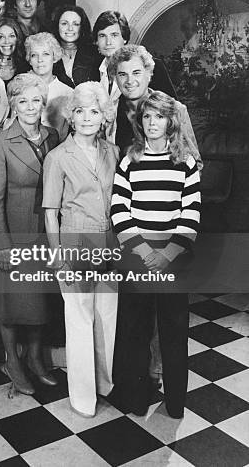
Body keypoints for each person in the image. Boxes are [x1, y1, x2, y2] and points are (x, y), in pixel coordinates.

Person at [110, 90, 201, 418]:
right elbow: (119, 209)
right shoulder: (130, 158)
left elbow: (190, 212)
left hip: (172, 263)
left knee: (174, 332)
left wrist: (168, 254)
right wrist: (144, 251)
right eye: (146, 117)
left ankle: (175, 402)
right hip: (137, 260)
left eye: (159, 117)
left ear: (170, 121)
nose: (152, 123)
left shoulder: (185, 161)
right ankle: (135, 398)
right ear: (139, 121)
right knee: (135, 329)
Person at [43, 82, 119, 417]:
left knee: (107, 319)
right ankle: (83, 397)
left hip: (110, 244)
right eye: (80, 111)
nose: (87, 118)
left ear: (104, 116)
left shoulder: (113, 151)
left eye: (94, 111)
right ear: (70, 117)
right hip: (75, 245)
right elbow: (50, 211)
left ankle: (105, 385)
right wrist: (57, 254)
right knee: (79, 319)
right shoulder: (57, 157)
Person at [0, 73, 59, 395]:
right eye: (23, 100)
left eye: (36, 100)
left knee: (39, 300)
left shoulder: (53, 136)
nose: (30, 107)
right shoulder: (0, 141)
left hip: (46, 231)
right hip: (14, 232)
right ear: (13, 104)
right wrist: (1, 245)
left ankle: (35, 358)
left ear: (43, 103)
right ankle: (12, 363)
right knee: (11, 302)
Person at [107, 44, 202, 168]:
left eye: (136, 73)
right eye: (122, 74)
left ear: (148, 74)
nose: (129, 81)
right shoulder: (108, 112)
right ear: (115, 78)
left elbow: (195, 165)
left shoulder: (174, 109)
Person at [88, 11, 176, 137]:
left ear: (124, 38)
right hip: (103, 145)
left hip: (138, 140)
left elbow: (172, 110)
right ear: (96, 41)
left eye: (114, 35)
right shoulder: (92, 70)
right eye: (102, 36)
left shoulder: (151, 66)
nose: (108, 42)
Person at [25, 32, 71, 139]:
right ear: (30, 60)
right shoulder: (20, 88)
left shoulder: (68, 92)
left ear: (54, 57)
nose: (40, 60)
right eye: (34, 55)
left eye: (45, 54)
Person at [52, 5, 95, 88]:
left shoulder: (94, 53)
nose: (70, 28)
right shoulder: (48, 54)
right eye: (64, 23)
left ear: (82, 27)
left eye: (75, 24)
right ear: (57, 26)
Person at [0, 17, 29, 87]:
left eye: (11, 36)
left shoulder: (26, 68)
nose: (7, 41)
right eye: (1, 37)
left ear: (18, 39)